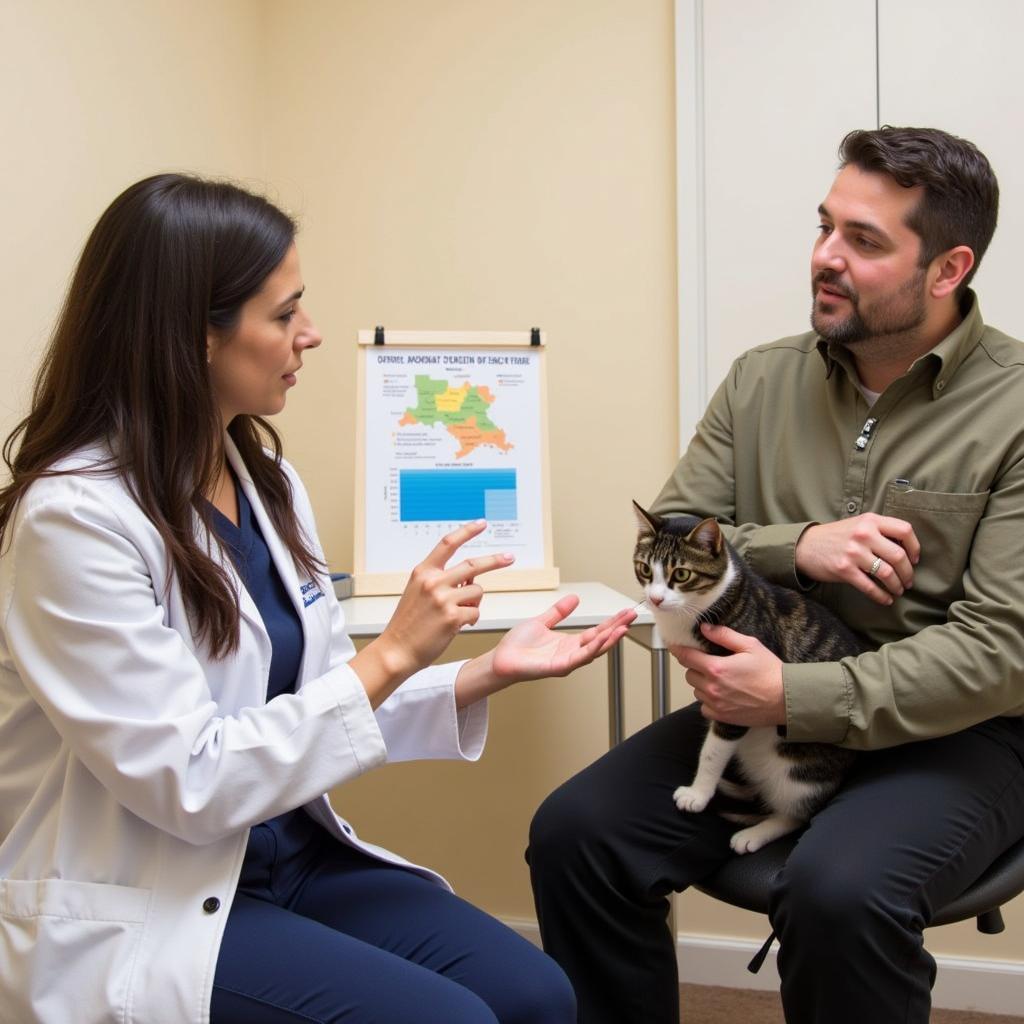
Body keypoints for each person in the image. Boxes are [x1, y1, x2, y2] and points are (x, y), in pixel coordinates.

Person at [0, 174, 636, 1024]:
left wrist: (477, 675)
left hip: (290, 852)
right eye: (284, 313)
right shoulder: (75, 519)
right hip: (157, 891)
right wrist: (396, 652)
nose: (312, 334)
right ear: (194, 337)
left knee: (534, 994)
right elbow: (193, 783)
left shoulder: (263, 479)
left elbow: (322, 694)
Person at [528, 125, 1024, 1023]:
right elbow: (675, 526)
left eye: (864, 241)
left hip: (962, 733)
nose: (825, 258)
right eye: (824, 226)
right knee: (577, 834)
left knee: (840, 892)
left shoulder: (1018, 406)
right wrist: (795, 545)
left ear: (949, 270)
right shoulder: (760, 381)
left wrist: (798, 692)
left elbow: (1001, 651)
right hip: (766, 710)